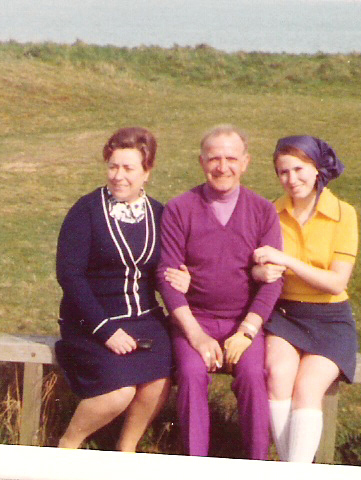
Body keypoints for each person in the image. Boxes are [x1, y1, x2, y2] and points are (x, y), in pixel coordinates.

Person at [54, 127, 189, 452]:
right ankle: (67, 446)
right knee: (120, 392)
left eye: (128, 168)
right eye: (113, 166)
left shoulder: (160, 214)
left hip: (145, 320)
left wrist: (181, 279)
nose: (118, 176)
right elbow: (69, 275)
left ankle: (124, 454)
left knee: (157, 382)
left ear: (147, 171)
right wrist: (105, 330)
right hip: (91, 321)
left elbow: (164, 269)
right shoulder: (85, 211)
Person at [157, 125, 283, 460]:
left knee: (255, 375)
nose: (222, 167)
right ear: (202, 162)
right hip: (194, 321)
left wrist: (246, 331)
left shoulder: (262, 211)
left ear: (245, 162)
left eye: (231, 158)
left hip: (243, 322)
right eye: (214, 158)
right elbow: (167, 279)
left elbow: (273, 281)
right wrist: (196, 336)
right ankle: (195, 465)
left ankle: (257, 466)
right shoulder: (180, 208)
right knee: (190, 372)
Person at [252, 135, 358, 462]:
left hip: (331, 318)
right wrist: (260, 273)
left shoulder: (344, 214)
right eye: (283, 172)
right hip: (284, 315)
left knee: (307, 390)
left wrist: (287, 262)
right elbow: (256, 267)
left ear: (316, 169)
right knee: (278, 375)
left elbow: (336, 281)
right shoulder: (271, 212)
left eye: (298, 169)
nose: (291, 179)